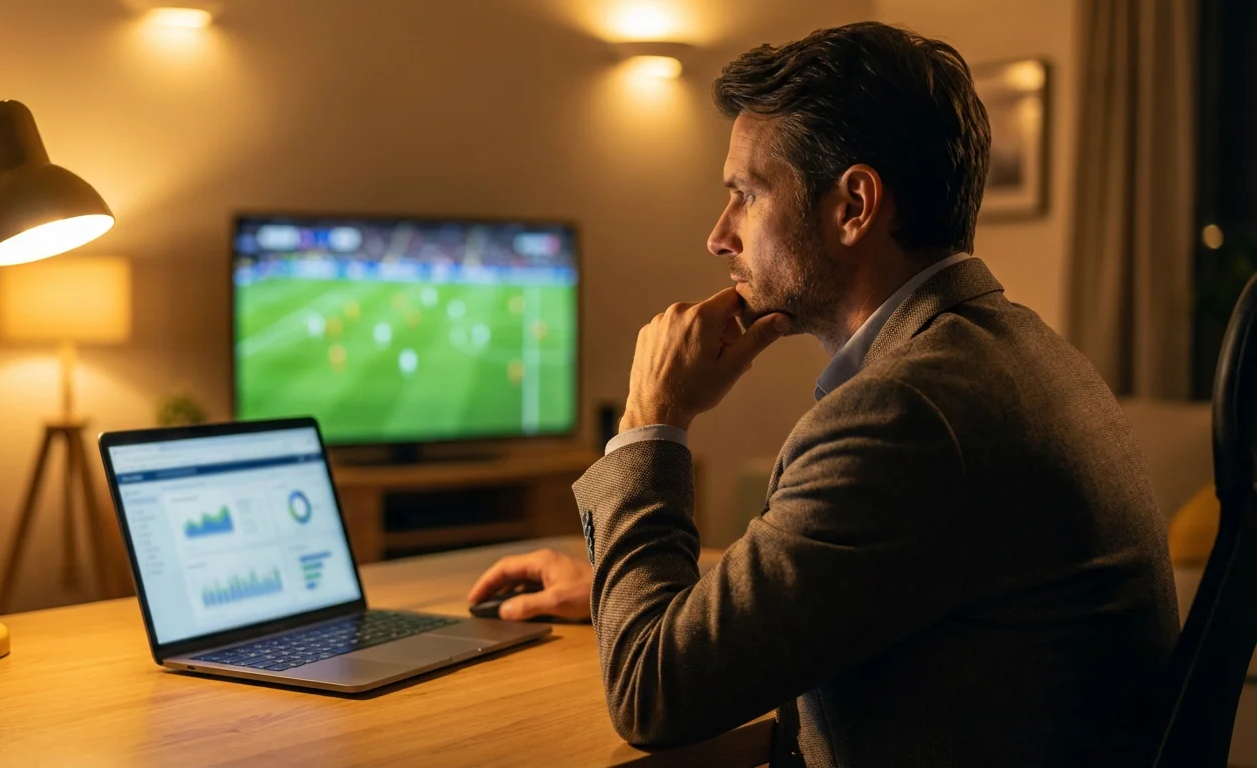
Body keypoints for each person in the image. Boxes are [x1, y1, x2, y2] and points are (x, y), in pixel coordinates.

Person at [467, 21, 1179, 767]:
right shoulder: (1019, 352)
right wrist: (642, 598)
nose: (718, 235)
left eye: (744, 194)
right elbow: (860, 585)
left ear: (853, 207)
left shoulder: (904, 415)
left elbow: (655, 695)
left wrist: (652, 422)